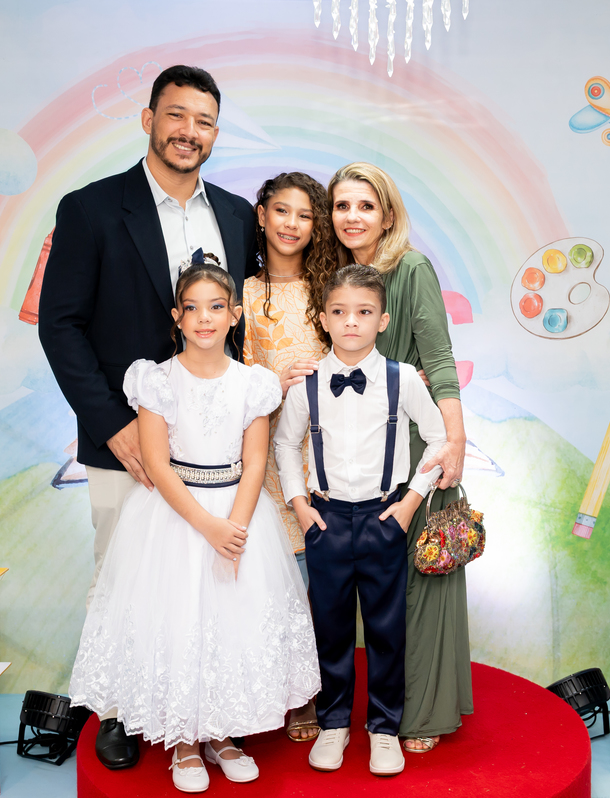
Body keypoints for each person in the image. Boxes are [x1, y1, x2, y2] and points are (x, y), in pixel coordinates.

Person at [37, 65, 257, 770]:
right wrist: (112, 423)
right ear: (149, 120)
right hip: (127, 443)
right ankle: (122, 712)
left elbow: (243, 325)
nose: (189, 132)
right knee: (125, 578)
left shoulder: (238, 215)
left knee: (210, 583)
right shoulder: (91, 209)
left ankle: (208, 709)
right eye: (176, 115)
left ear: (215, 133)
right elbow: (60, 325)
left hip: (216, 450)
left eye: (204, 121)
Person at [69, 262, 320, 793]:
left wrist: (235, 526)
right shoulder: (156, 380)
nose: (204, 318)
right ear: (177, 317)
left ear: (234, 315)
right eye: (192, 308)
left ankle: (222, 735)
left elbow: (256, 462)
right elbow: (157, 464)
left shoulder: (253, 384)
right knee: (179, 621)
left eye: (216, 307)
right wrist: (207, 526)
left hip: (237, 514)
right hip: (176, 516)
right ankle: (184, 741)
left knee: (229, 622)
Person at [274, 264, 447, 778]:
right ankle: (333, 723)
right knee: (329, 626)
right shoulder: (307, 384)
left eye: (364, 312)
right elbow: (284, 443)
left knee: (386, 629)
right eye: (340, 311)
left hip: (383, 517)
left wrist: (410, 503)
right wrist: (300, 504)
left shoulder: (402, 379)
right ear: (324, 319)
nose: (352, 321)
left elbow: (438, 439)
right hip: (325, 519)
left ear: (382, 320)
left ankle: (384, 728)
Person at [324, 162, 471, 754]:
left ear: (388, 215)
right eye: (342, 206)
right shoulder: (335, 277)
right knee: (378, 600)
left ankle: (424, 713)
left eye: (366, 205)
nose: (352, 217)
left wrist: (453, 443)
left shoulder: (410, 270)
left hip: (414, 447)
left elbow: (439, 361)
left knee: (420, 583)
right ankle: (369, 712)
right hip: (355, 455)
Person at [241, 172, 334, 743]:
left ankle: (316, 691)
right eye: (281, 211)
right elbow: (232, 376)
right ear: (261, 214)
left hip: (326, 450)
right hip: (267, 451)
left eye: (305, 215)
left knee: (322, 583)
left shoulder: (330, 290)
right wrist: (275, 381)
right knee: (280, 582)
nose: (291, 224)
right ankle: (284, 691)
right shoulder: (244, 293)